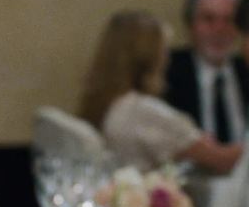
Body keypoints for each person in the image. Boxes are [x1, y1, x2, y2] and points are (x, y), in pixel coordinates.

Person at [79, 10, 241, 174]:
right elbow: (223, 160)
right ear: (150, 57)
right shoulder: (143, 110)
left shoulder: (109, 103)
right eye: (164, 50)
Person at [163, 0, 249, 144]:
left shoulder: (245, 69)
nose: (219, 29)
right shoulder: (167, 71)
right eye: (209, 19)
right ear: (190, 25)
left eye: (229, 20)